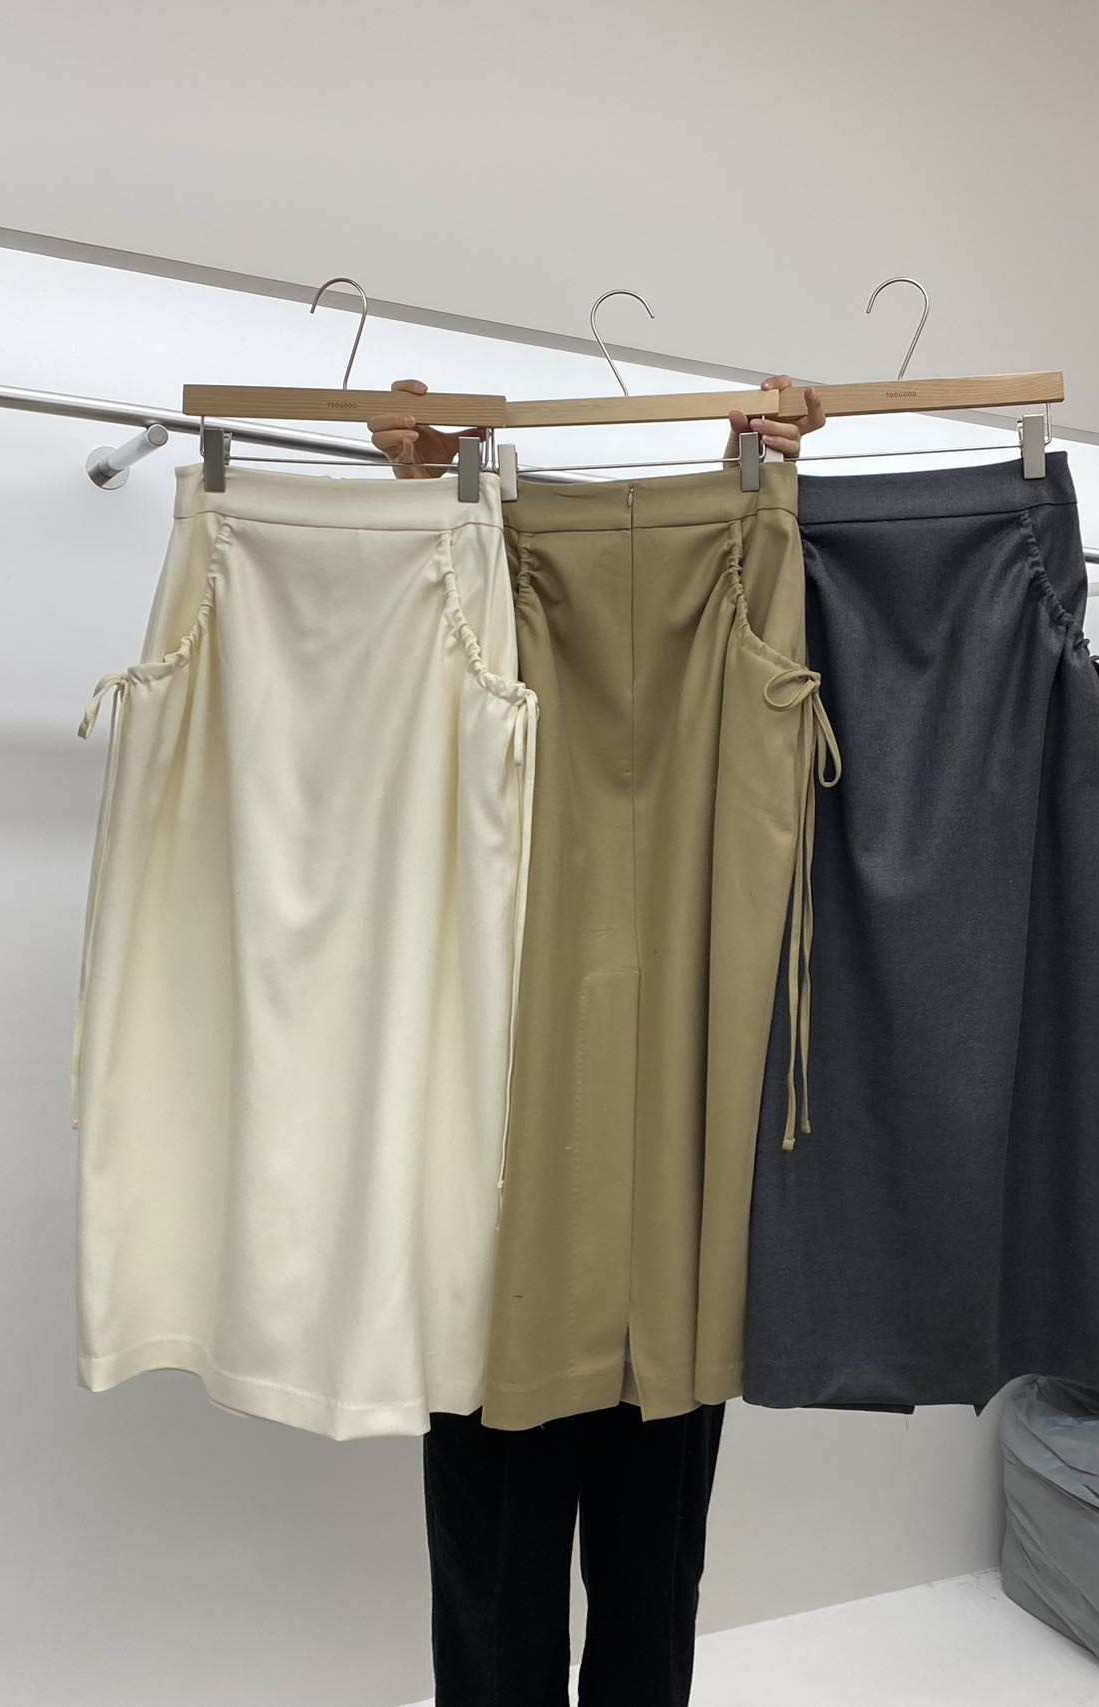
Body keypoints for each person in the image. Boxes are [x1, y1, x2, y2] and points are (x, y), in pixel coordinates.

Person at [367, 375, 826, 1707]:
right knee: (539, 1565)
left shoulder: (752, 570)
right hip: (521, 1169)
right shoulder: (473, 582)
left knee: (621, 1569)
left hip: (650, 1180)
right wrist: (426, 496)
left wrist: (763, 492)